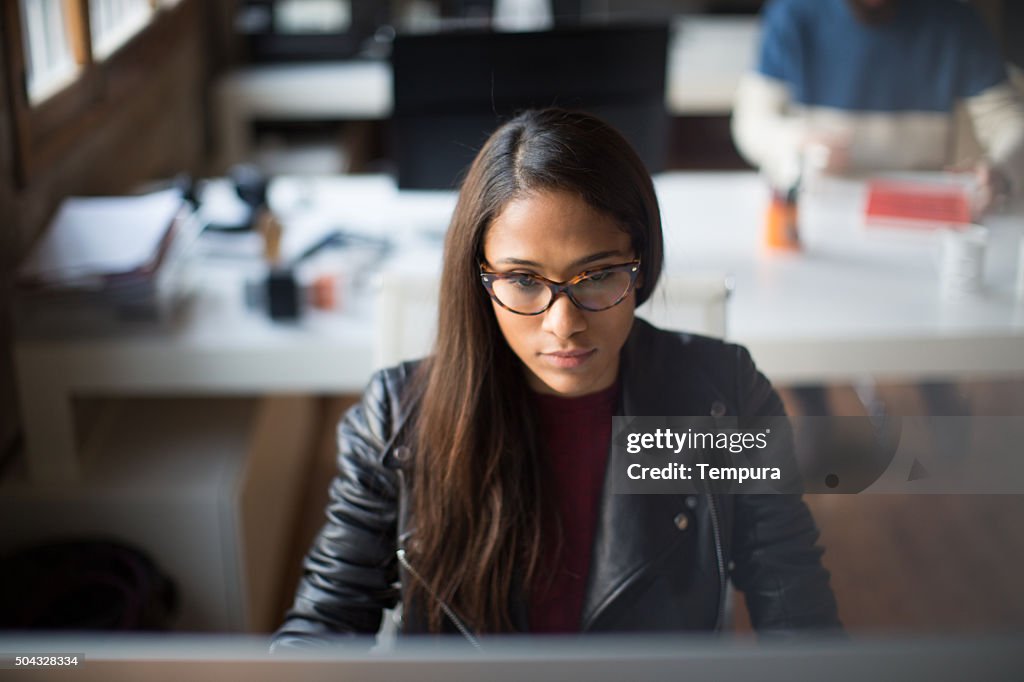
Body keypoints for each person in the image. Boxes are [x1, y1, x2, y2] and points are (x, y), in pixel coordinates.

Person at [271, 108, 840, 649]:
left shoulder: (722, 398)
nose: (563, 324)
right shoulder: (396, 420)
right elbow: (326, 621)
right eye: (523, 280)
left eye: (596, 276)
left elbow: (798, 612)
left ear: (640, 263)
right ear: (480, 281)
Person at [732, 0, 1024, 209]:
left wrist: (1003, 170)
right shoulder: (791, 14)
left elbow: (1007, 120)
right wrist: (798, 142)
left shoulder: (956, 22)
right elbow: (751, 123)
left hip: (918, 210)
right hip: (816, 207)